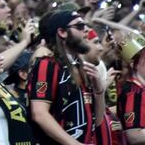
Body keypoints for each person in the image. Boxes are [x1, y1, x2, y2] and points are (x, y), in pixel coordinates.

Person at [28, 11, 107, 144]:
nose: (86, 30)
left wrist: (99, 91)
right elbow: (39, 114)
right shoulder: (47, 64)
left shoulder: (83, 67)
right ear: (62, 32)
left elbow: (98, 121)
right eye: (79, 26)